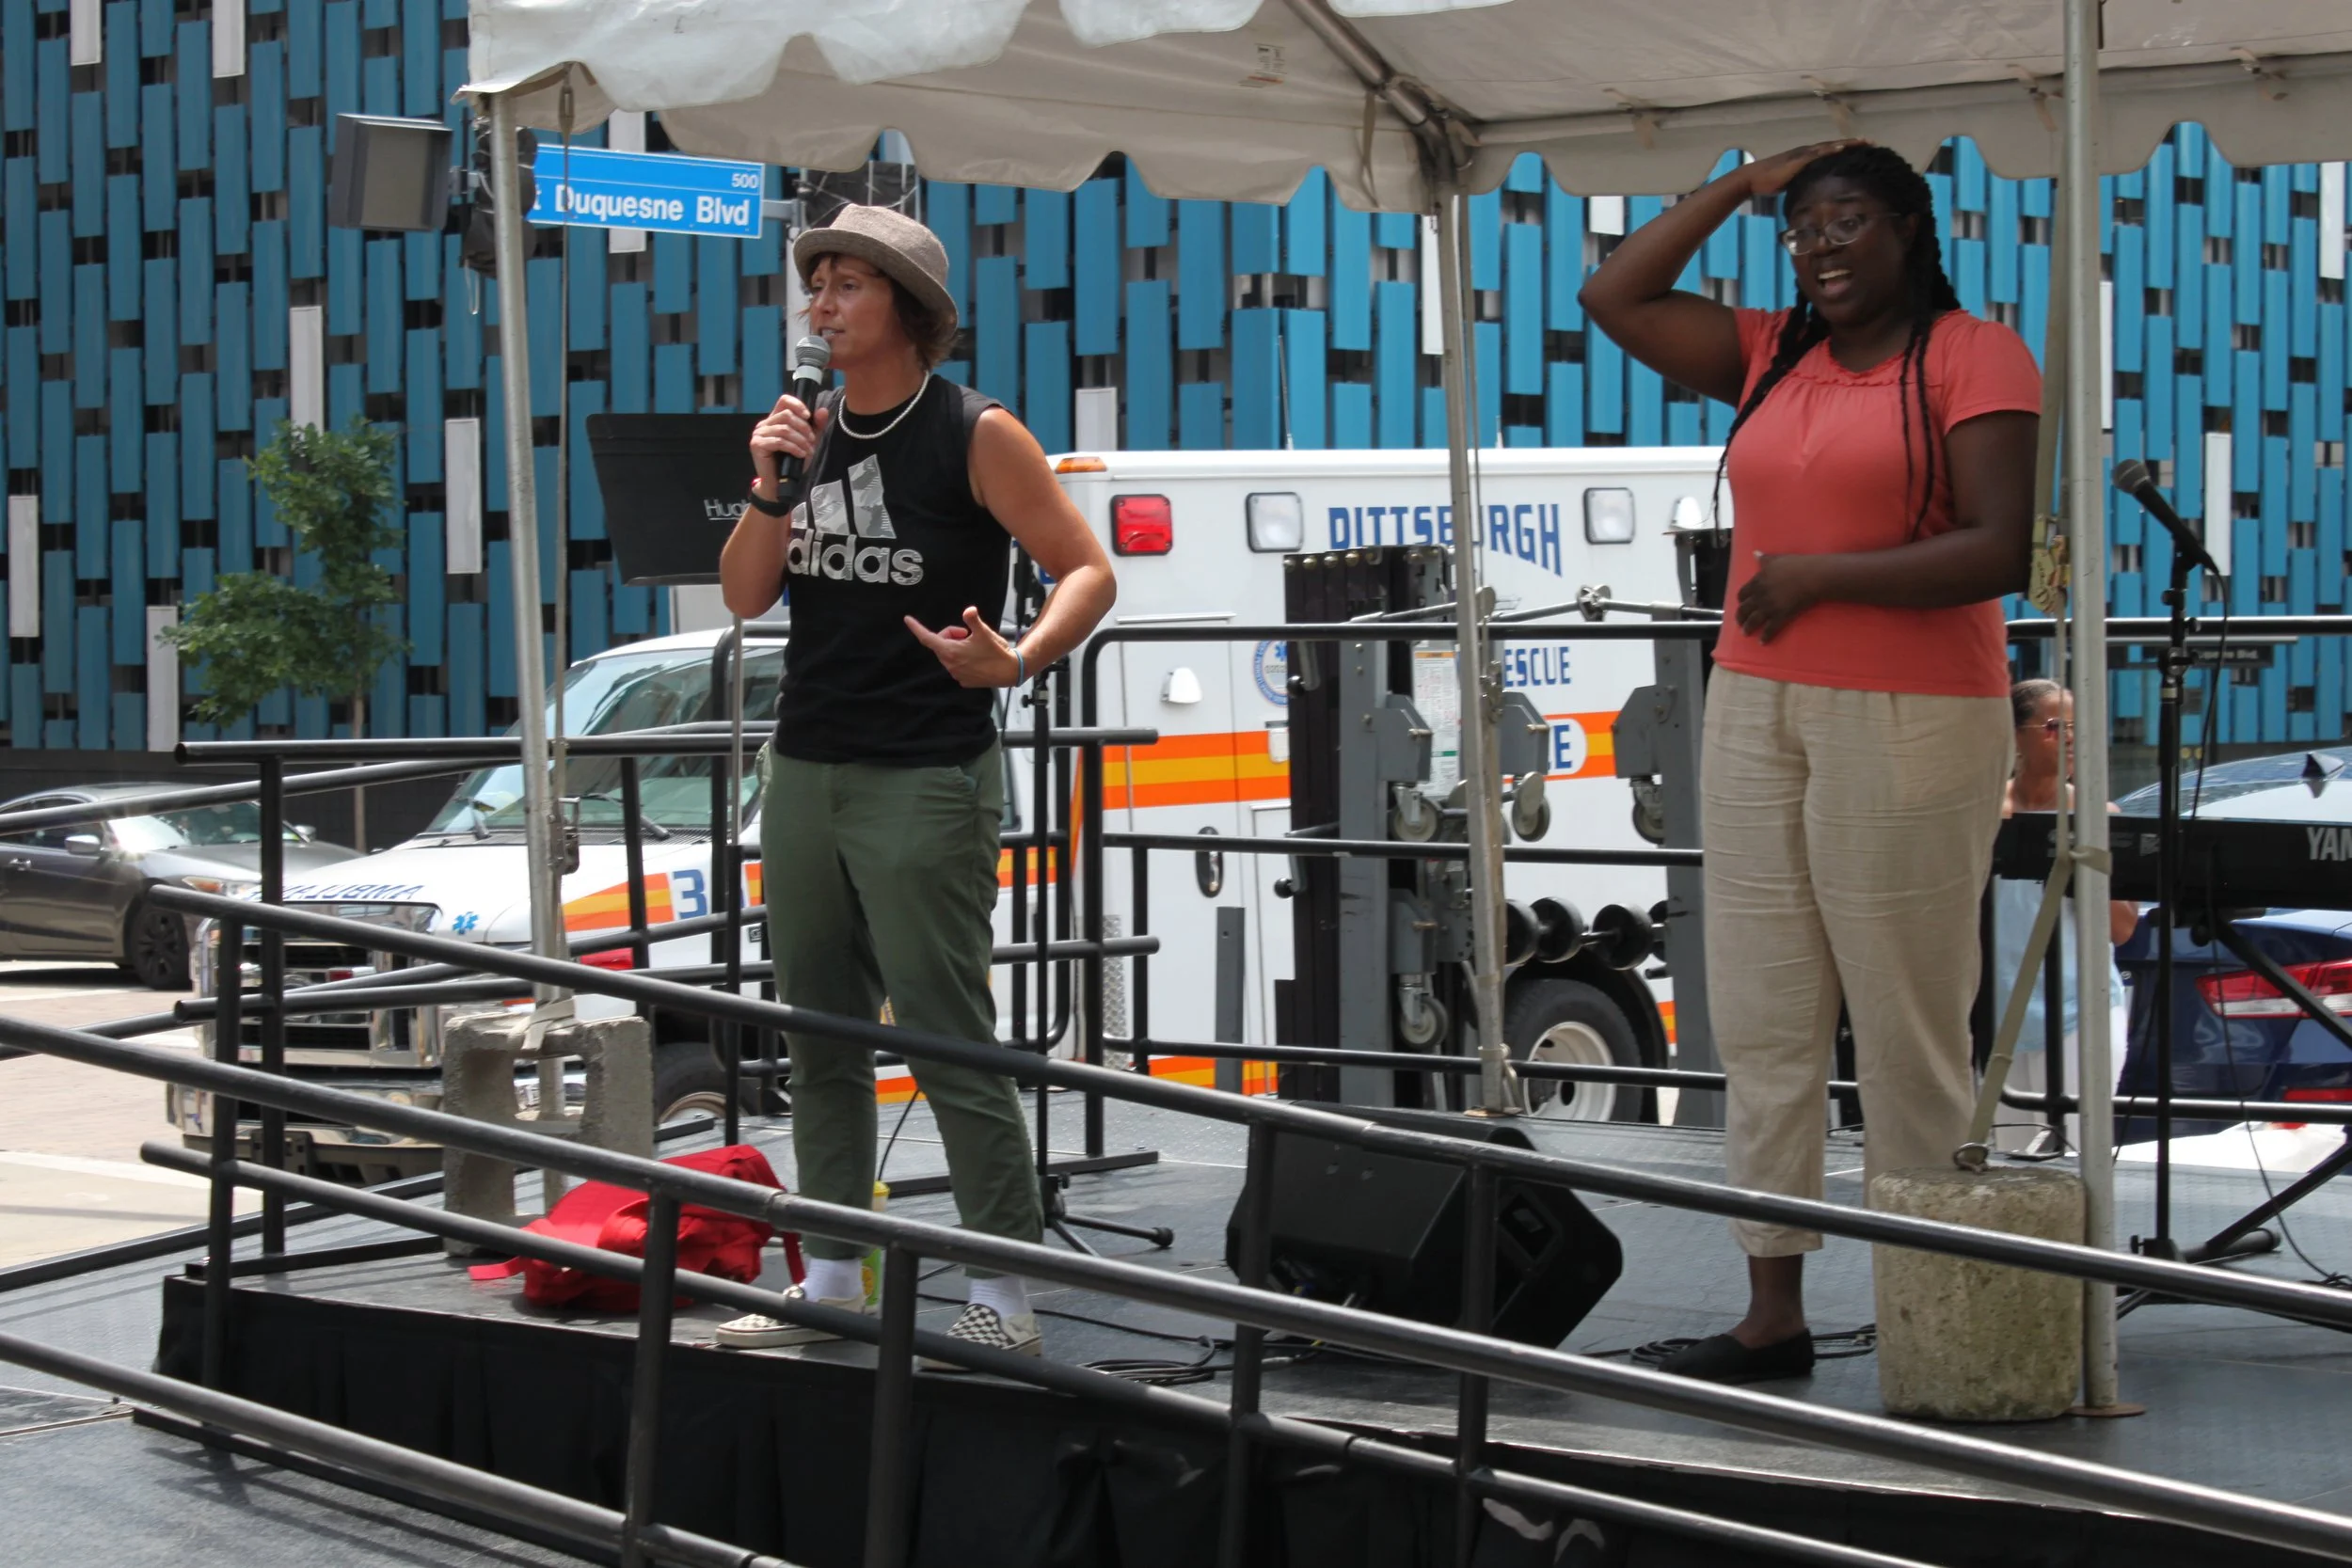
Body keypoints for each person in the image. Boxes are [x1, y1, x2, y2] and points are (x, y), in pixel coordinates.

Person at [1581, 143, 2041, 1383]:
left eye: (1846, 221)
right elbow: (1613, 294)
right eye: (1800, 230)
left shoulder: (1974, 352)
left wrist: (1820, 577)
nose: (1821, 247)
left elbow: (2002, 548)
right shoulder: (1772, 347)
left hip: (1914, 709)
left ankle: (1934, 1321)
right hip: (1757, 699)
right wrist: (1737, 187)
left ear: (1909, 227)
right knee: (1766, 1013)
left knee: (1905, 1024)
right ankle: (1770, 1310)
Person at [711, 204, 1117, 1361]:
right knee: (818, 1036)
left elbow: (1087, 568)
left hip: (926, 771)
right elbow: (744, 594)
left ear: (910, 307)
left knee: (947, 1038)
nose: (821, 305)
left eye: (848, 284)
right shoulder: (802, 433)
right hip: (806, 765)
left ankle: (1006, 1290)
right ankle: (834, 1273)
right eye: (817, 285)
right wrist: (770, 486)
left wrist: (1019, 657)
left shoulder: (974, 431)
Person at [1991, 680, 2137, 1154]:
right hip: (1999, 1015)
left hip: (2081, 1011)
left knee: (2078, 1157)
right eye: (2056, 726)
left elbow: (2122, 929)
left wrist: (2086, 852)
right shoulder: (1986, 813)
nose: (2072, 738)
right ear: (2015, 735)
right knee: (2009, 1166)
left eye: (2078, 727)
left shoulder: (2096, 814)